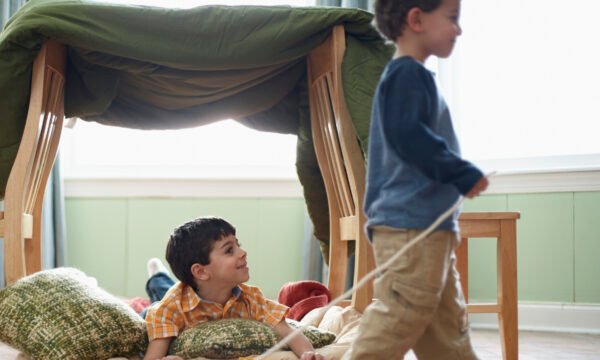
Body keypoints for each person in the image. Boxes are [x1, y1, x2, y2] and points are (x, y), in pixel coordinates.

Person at [350, 0, 488, 359]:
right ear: (416, 19)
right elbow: (408, 135)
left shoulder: (413, 77)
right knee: (398, 317)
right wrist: (460, 172)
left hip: (425, 229)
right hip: (410, 228)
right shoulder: (406, 75)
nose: (458, 29)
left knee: (445, 329)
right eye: (452, 19)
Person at [143, 217, 325, 360]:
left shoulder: (251, 298)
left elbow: (288, 331)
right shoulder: (170, 308)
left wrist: (308, 354)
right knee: (160, 291)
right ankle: (156, 273)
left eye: (238, 245)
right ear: (201, 271)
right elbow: (154, 356)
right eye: (229, 250)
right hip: (164, 302)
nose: (242, 252)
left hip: (195, 285)